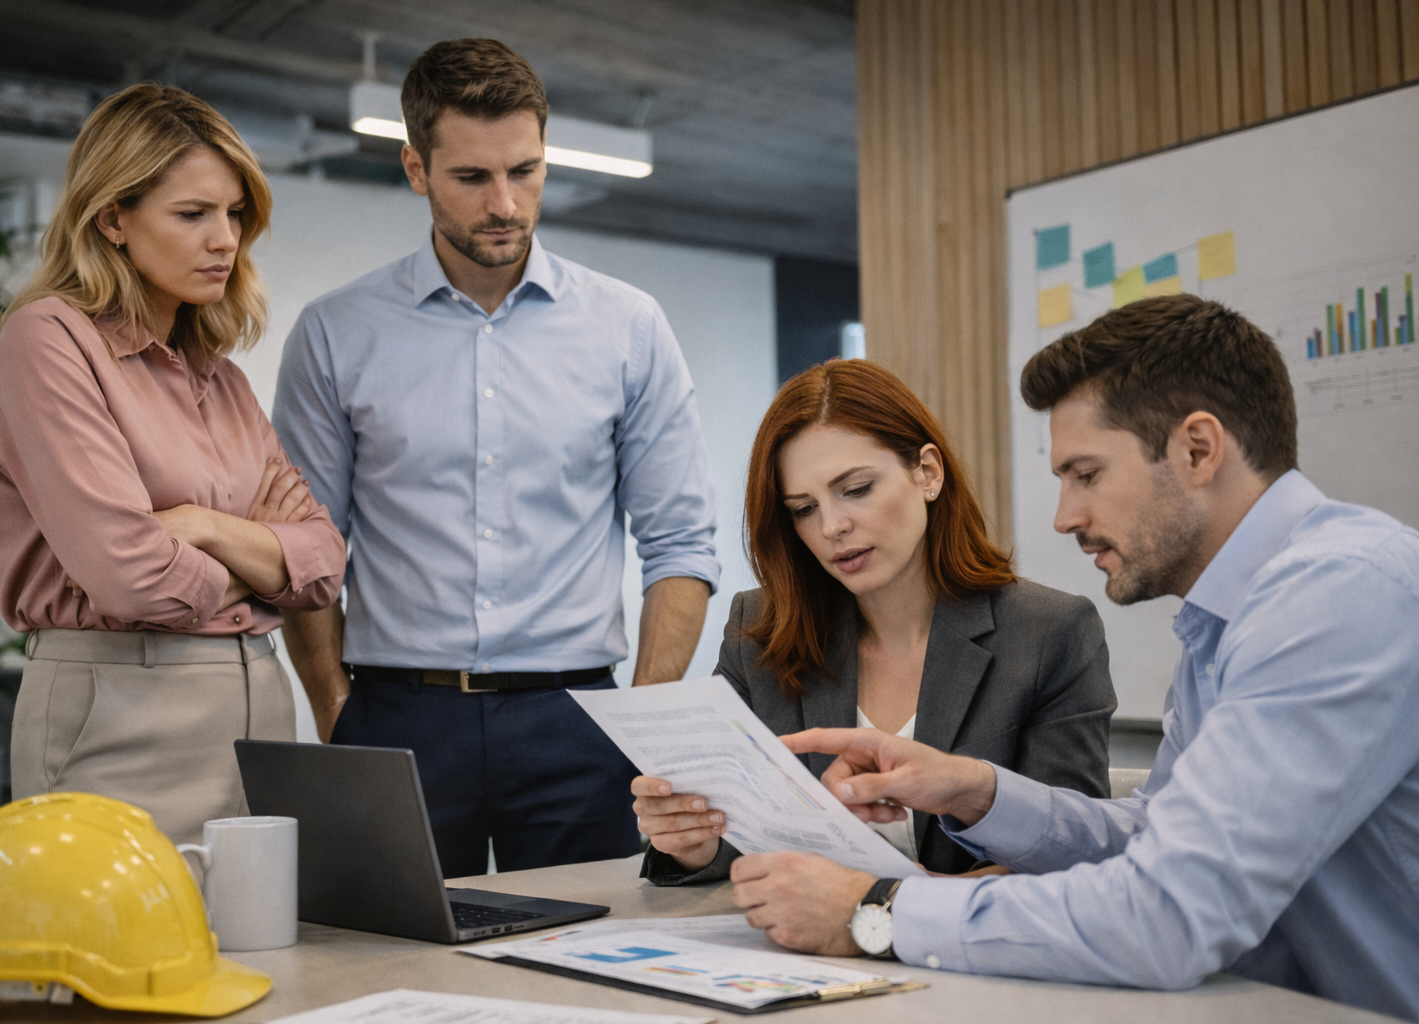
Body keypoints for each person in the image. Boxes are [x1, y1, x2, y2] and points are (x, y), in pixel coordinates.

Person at [727, 295, 1419, 1023]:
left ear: (1197, 449)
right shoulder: (1228, 621)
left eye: (1086, 474)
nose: (1066, 517)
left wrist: (876, 911)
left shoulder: (1338, 594)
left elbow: (1167, 917)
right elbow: (1155, 835)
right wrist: (976, 792)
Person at [272, 38, 719, 878]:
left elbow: (681, 544)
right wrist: (334, 707)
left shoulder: (627, 327)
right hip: (397, 716)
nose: (505, 204)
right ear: (416, 169)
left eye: (525, 171)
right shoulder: (336, 332)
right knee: (387, 946)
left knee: (587, 950)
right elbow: (305, 548)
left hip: (577, 720)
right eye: (472, 177)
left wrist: (647, 725)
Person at [0, 84, 347, 846]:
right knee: (114, 924)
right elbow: (133, 576)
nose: (226, 240)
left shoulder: (224, 378)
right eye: (193, 214)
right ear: (113, 218)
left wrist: (205, 528)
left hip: (259, 722)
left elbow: (322, 562)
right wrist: (262, 560)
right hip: (121, 720)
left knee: (257, 929)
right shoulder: (47, 341)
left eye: (235, 214)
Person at [634, 359, 1116, 881]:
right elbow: (740, 841)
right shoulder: (760, 630)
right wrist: (692, 839)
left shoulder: (1051, 631)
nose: (832, 526)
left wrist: (884, 906)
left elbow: (1071, 857)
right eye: (803, 509)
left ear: (927, 473)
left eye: (857, 488)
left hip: (966, 936)